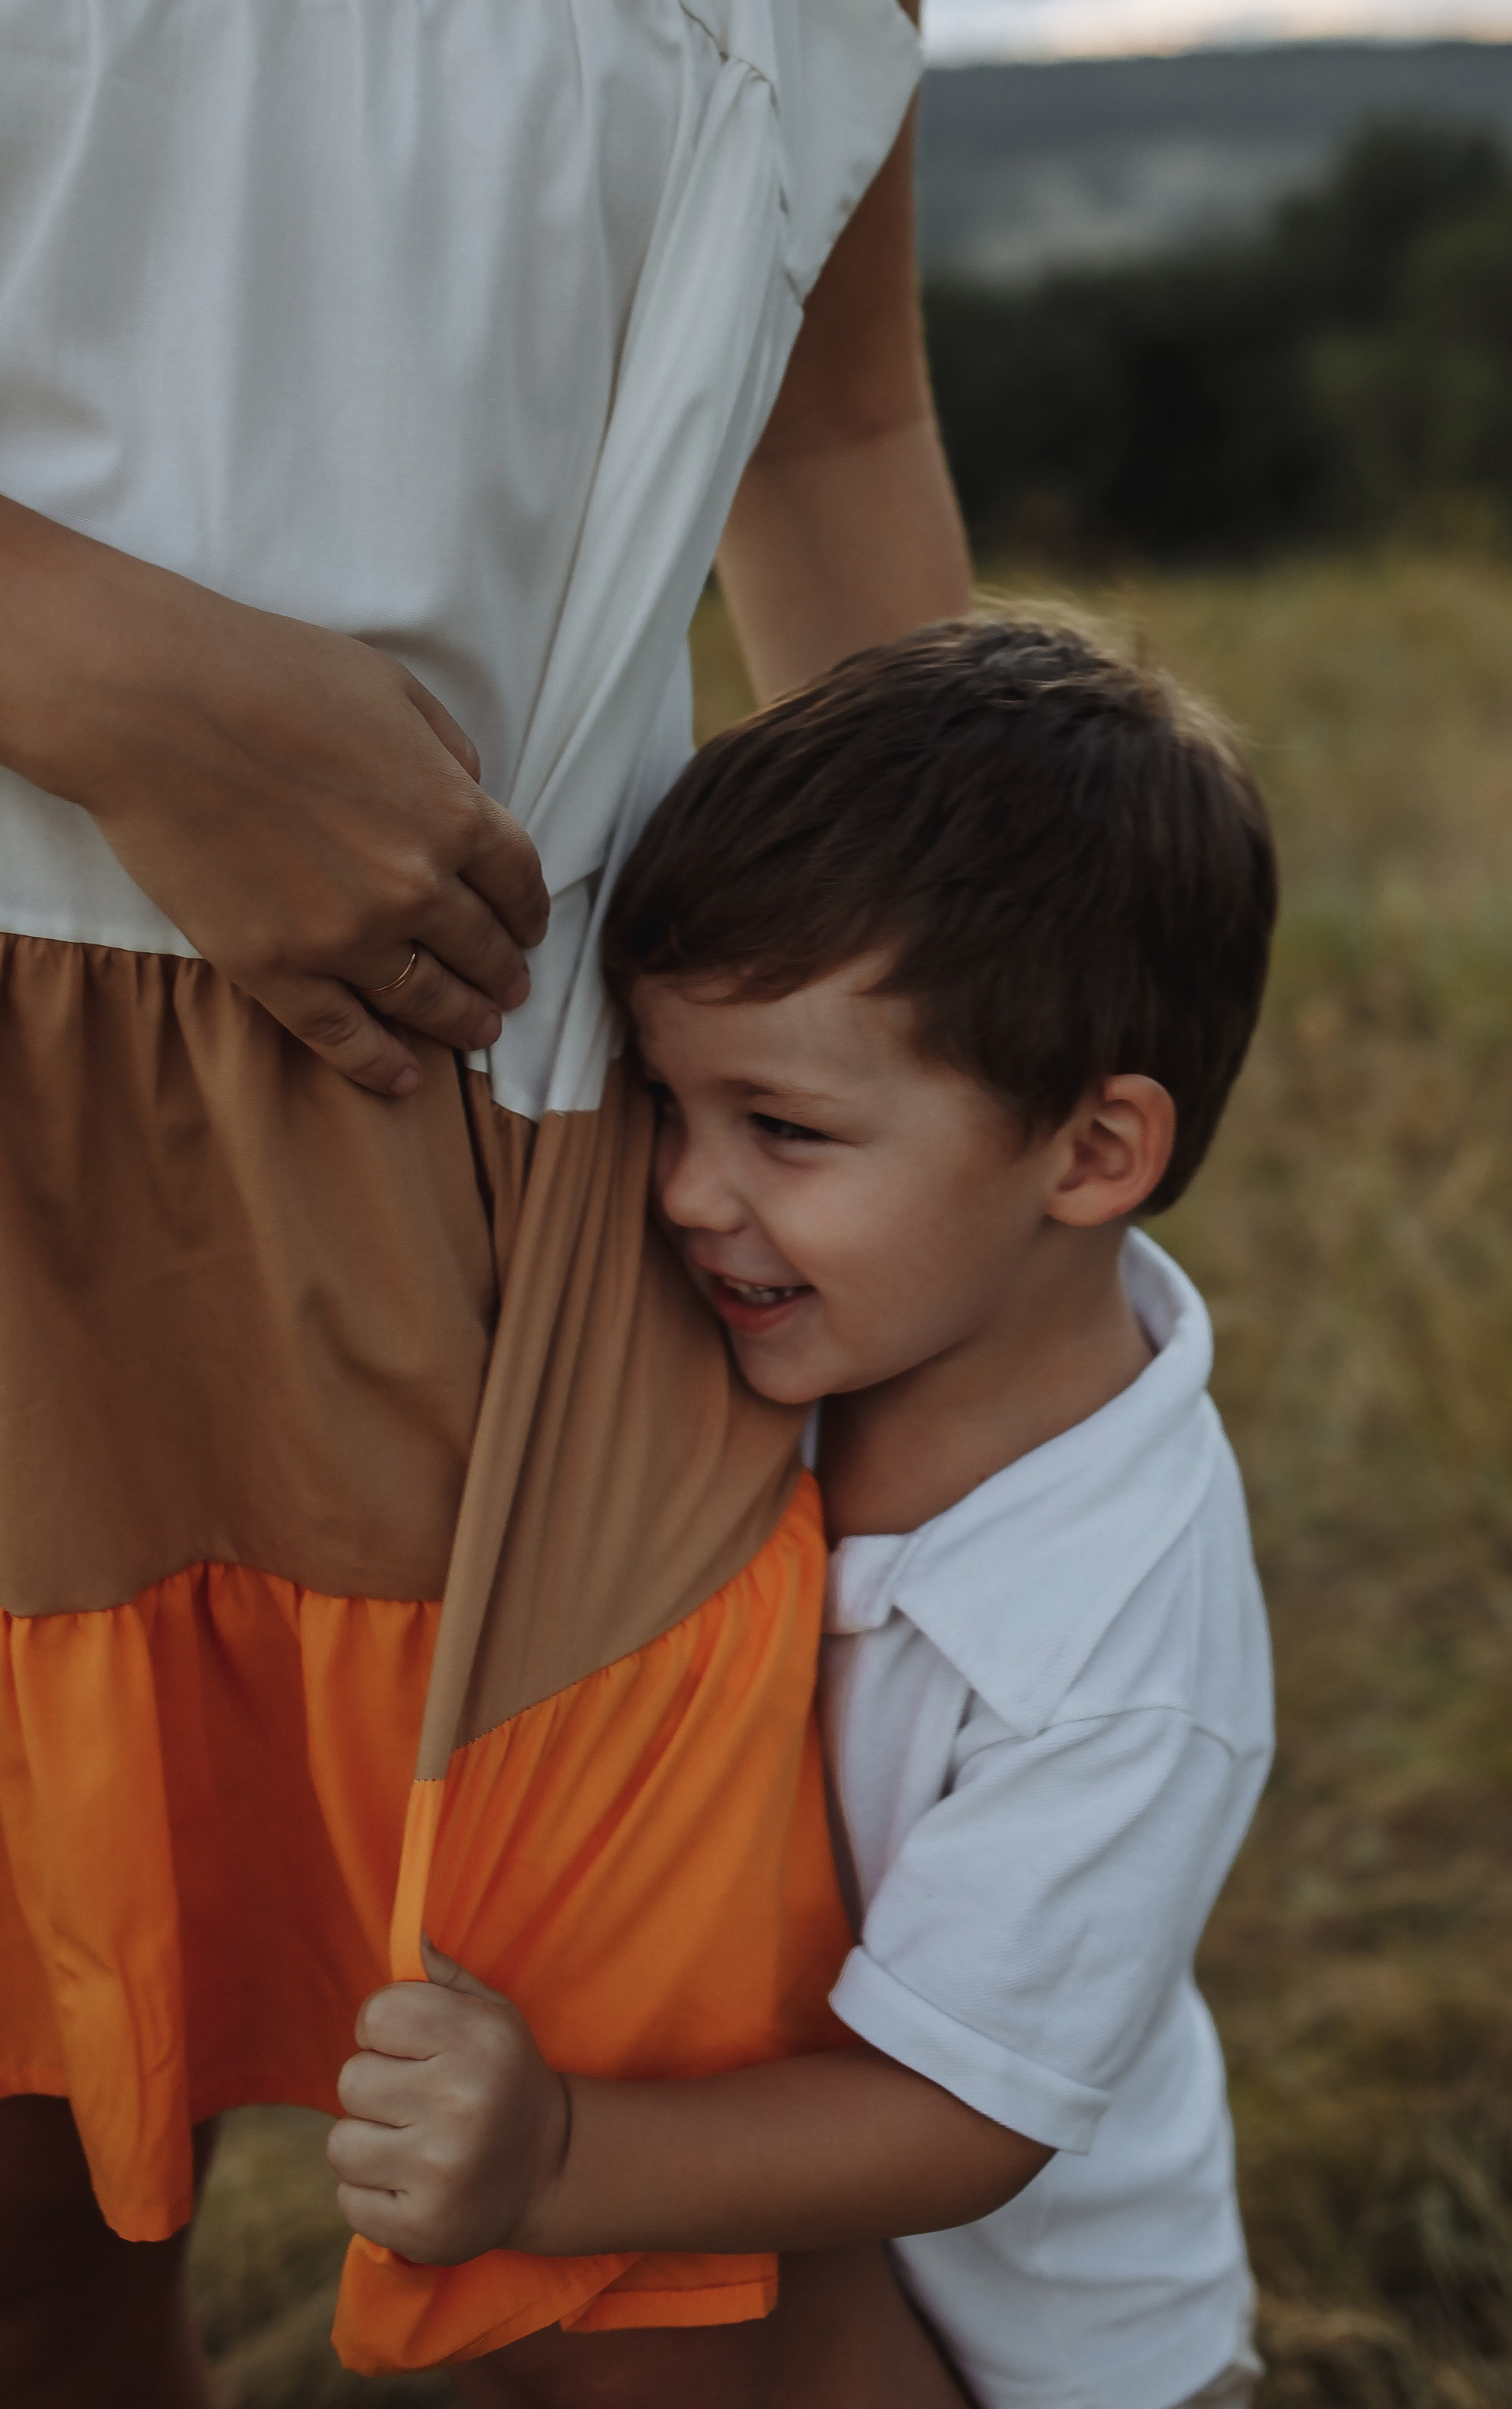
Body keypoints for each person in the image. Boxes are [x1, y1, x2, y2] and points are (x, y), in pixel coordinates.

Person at [0, 0, 1121, 2401]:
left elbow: (833, 431)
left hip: (552, 1184)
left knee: (651, 2288)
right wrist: (92, 668)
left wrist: (989, 1117)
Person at [327, 617, 1280, 2409]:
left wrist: (557, 2163)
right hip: (768, 2260)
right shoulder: (804, 1338)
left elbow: (958, 2121)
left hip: (1042, 2355)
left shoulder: (1114, 1650)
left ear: (1089, 1155)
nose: (686, 1192)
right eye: (668, 1105)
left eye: (781, 1126)